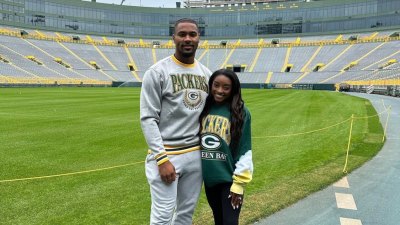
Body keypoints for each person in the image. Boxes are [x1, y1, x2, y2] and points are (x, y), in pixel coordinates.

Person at [140, 18, 211, 225]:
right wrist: (161, 159)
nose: (187, 39)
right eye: (182, 34)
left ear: (199, 39)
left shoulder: (206, 74)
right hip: (167, 154)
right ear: (173, 38)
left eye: (192, 34)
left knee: (185, 216)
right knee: (162, 218)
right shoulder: (157, 72)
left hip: (195, 154)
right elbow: (148, 118)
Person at [199, 69, 253, 225]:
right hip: (210, 180)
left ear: (233, 89)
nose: (219, 90)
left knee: (229, 222)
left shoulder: (241, 112)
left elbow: (245, 149)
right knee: (219, 220)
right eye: (216, 85)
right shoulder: (205, 108)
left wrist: (239, 183)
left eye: (226, 87)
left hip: (229, 179)